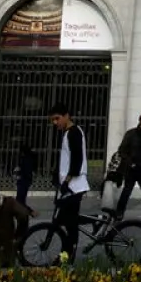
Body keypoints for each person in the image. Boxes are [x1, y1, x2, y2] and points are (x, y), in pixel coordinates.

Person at [48, 103, 90, 260]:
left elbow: (77, 159)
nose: (55, 122)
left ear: (66, 116)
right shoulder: (67, 133)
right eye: (53, 120)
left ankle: (68, 256)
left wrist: (67, 181)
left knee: (69, 222)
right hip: (69, 185)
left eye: (57, 118)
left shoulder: (74, 133)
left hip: (74, 185)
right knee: (67, 221)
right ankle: (66, 254)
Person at [15, 143, 36, 211]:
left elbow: (26, 171)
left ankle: (28, 211)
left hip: (23, 181)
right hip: (25, 181)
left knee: (19, 199)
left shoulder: (26, 159)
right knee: (21, 199)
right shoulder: (29, 158)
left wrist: (19, 174)